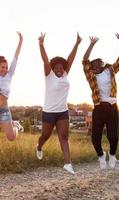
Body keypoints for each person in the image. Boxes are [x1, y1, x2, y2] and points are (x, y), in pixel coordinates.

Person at [36, 32, 81, 174]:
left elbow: (70, 59)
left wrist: (77, 44)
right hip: (49, 112)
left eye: (61, 68)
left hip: (62, 112)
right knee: (45, 136)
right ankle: (39, 146)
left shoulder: (65, 75)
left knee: (64, 137)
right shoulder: (49, 76)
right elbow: (45, 60)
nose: (59, 70)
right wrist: (41, 44)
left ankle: (68, 164)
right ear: (53, 68)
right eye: (56, 68)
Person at [82, 33, 119, 170]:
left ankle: (112, 155)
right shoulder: (91, 76)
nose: (94, 67)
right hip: (99, 109)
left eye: (97, 64)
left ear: (102, 64)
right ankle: (101, 156)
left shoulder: (110, 70)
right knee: (95, 138)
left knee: (113, 137)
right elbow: (84, 60)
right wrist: (92, 44)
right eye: (92, 65)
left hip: (112, 108)